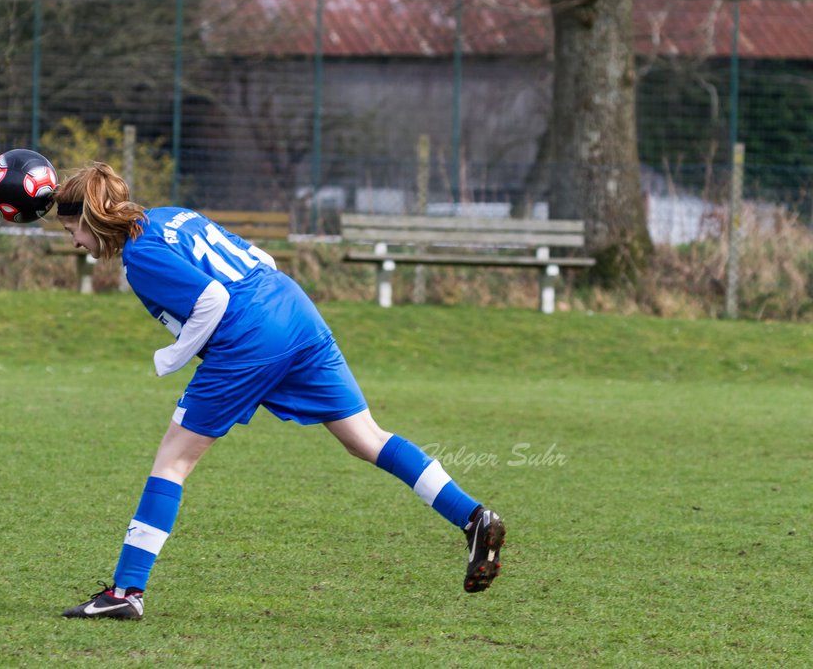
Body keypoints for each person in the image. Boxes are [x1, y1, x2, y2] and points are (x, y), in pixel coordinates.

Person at [54, 162, 505, 621]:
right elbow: (262, 260)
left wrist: (172, 356)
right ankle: (472, 517)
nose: (73, 242)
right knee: (366, 437)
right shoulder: (173, 214)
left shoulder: (140, 254)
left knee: (174, 459)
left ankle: (127, 591)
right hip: (293, 308)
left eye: (73, 229)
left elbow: (213, 300)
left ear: (91, 219)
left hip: (248, 333)